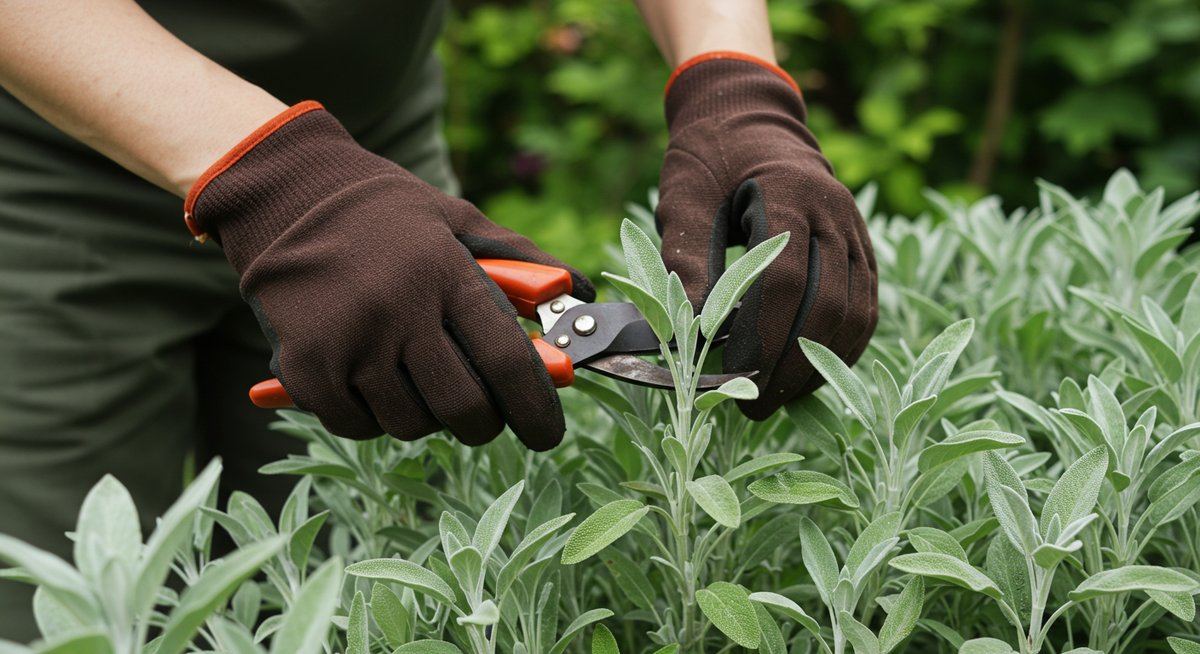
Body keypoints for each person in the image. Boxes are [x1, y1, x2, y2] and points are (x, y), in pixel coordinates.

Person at [0, 0, 876, 641]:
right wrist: (277, 179)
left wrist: (731, 80)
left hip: (369, 160)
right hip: (45, 166)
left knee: (369, 579)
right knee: (58, 603)